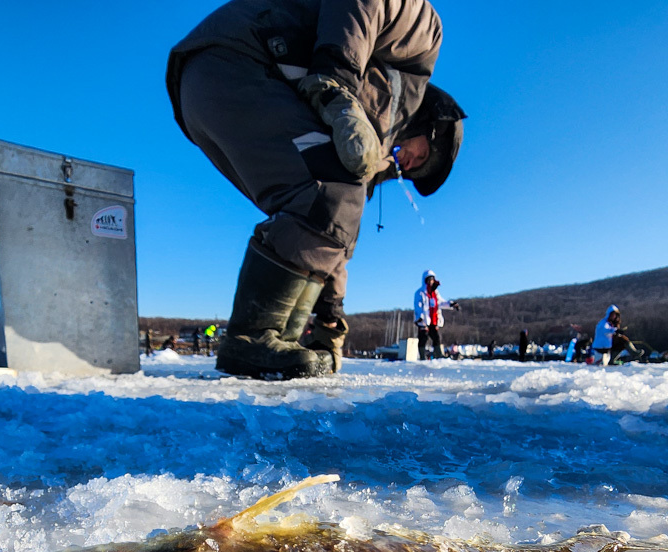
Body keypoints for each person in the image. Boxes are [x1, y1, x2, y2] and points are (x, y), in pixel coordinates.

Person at [167, 0, 465, 379]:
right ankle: (253, 338)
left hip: (210, 92)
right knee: (325, 196)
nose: (409, 167)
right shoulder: (424, 42)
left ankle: (280, 339)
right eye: (422, 158)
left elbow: (339, 236)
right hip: (245, 55)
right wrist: (336, 83)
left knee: (329, 204)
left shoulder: (366, 142)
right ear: (434, 126)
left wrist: (330, 323)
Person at [414, 270, 459, 360]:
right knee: (423, 338)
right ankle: (422, 357)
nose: (431, 282)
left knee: (436, 338)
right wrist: (419, 317)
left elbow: (441, 303)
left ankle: (439, 355)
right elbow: (418, 306)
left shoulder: (435, 293)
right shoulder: (420, 293)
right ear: (425, 281)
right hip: (424, 320)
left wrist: (451, 304)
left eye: (432, 280)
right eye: (429, 280)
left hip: (434, 319)